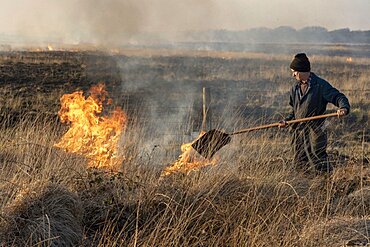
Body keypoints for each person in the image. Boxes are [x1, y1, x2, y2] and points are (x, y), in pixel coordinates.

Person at [279, 53, 350, 173]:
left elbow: (338, 97)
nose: (293, 74)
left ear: (302, 70)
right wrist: (287, 120)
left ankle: (326, 184)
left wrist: (343, 108)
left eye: (294, 71)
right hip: (299, 131)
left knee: (318, 159)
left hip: (316, 130)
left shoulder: (320, 85)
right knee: (299, 160)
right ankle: (304, 186)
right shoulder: (294, 88)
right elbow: (294, 111)